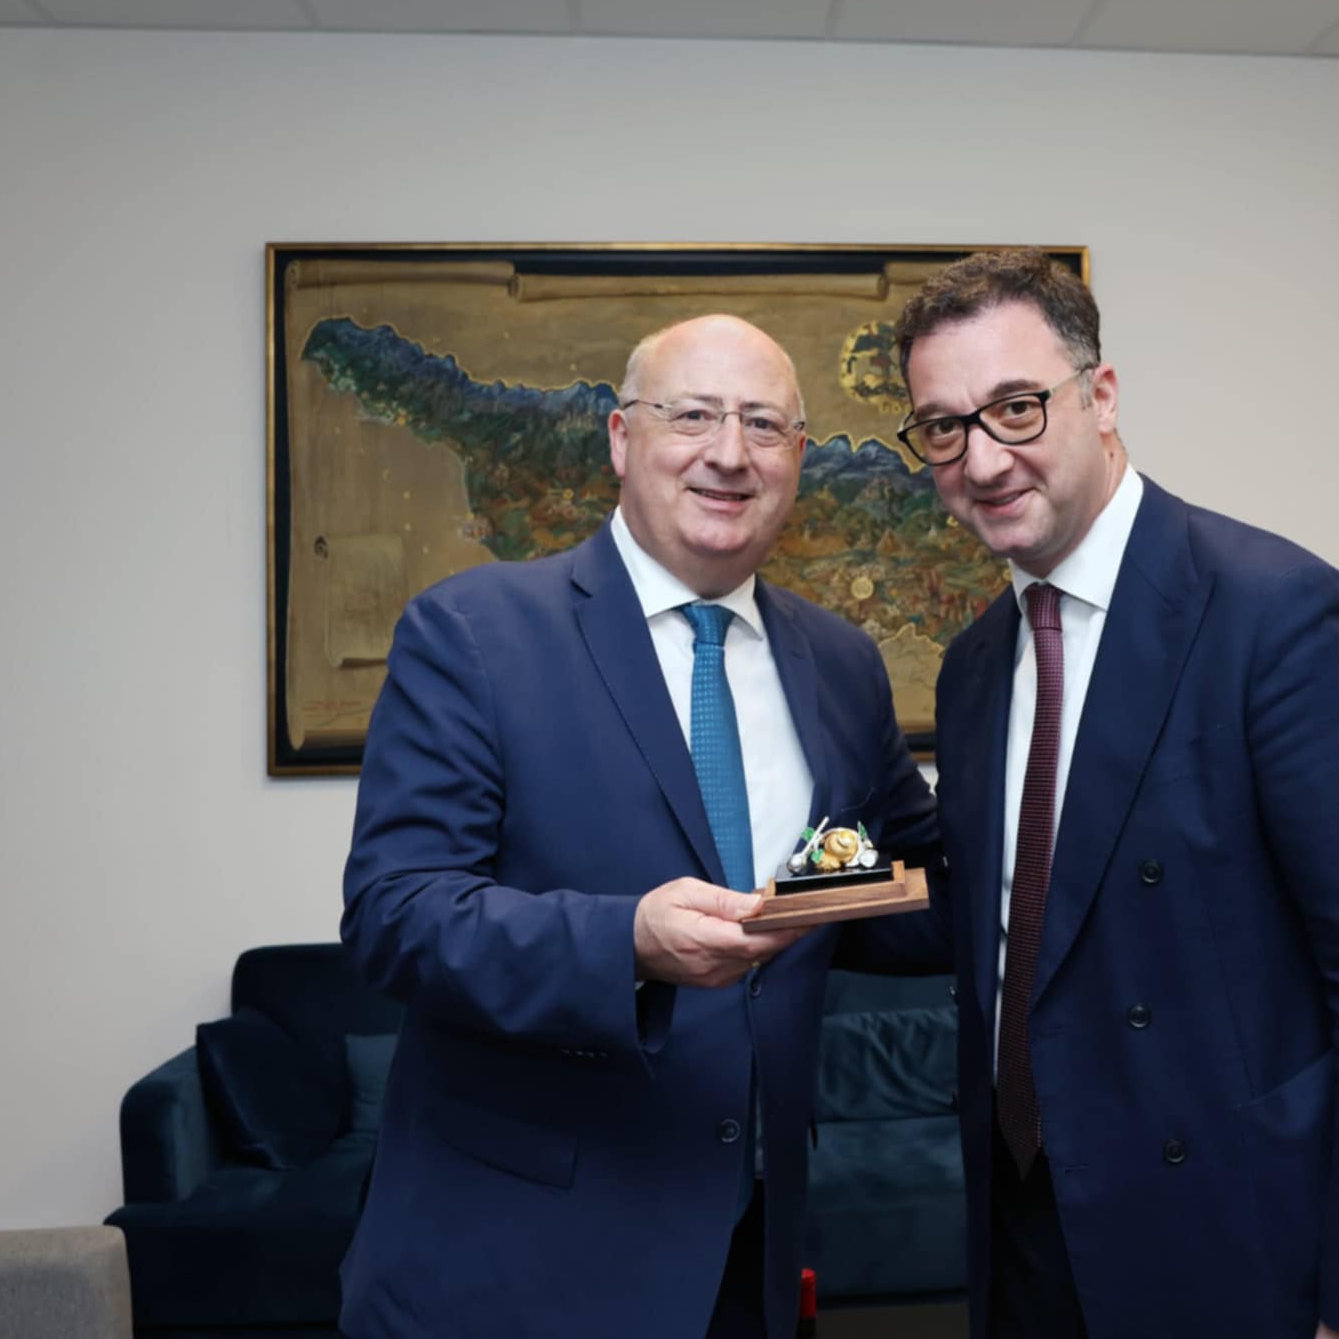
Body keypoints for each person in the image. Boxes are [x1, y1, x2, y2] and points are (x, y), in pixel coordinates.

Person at [894, 250, 1339, 1339]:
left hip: (1231, 1240)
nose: (982, 458)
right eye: (942, 426)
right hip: (1026, 1231)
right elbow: (1006, 917)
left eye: (1016, 408)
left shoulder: (1279, 618)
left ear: (1101, 396)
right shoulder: (976, 667)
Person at [337, 314, 940, 1339]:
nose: (729, 452)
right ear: (621, 438)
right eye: (692, 415)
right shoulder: (474, 631)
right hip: (516, 1266)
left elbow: (892, 884)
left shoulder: (841, 662)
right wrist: (626, 942)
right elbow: (397, 914)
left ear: (798, 457)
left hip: (749, 1252)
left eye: (763, 424)